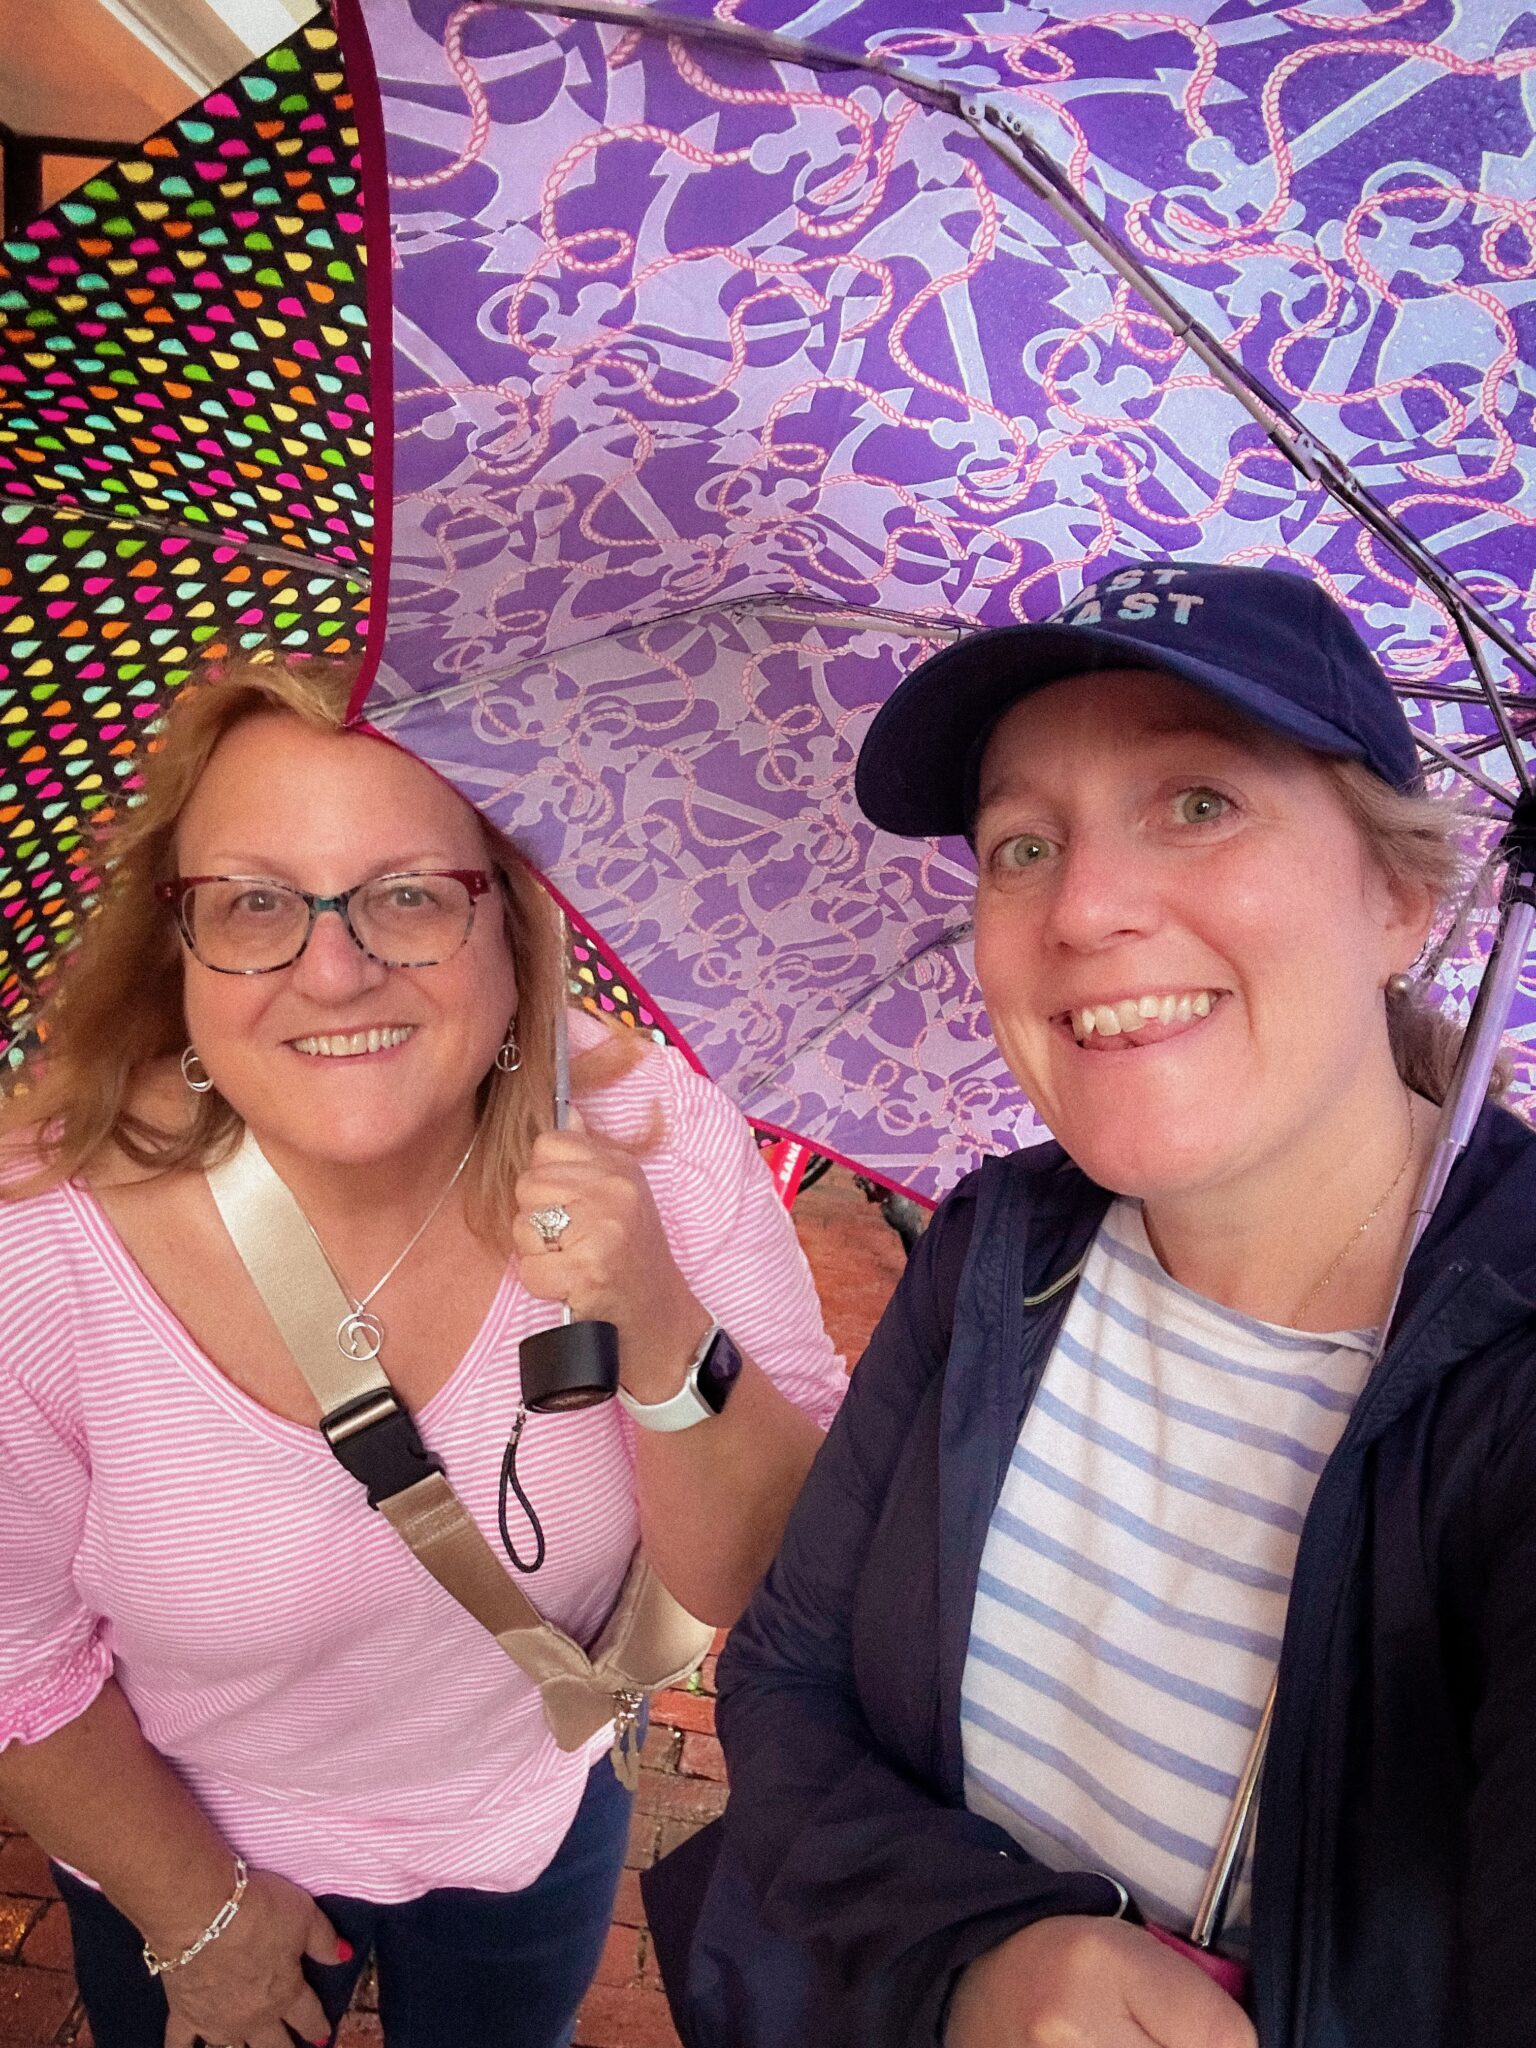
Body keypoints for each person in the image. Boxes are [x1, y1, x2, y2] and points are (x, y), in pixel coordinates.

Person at [654, 561, 1536, 2048]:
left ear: (1401, 896)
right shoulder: (997, 1250)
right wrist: (981, 1959)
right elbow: (791, 1683)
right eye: (1020, 844)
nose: (1081, 908)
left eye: (1197, 801)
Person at [0, 652, 845, 2048]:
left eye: (406, 895)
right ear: (181, 941)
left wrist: (655, 1315)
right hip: (188, 1847)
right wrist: (198, 1917)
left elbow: (760, 1573)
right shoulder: (43, 1238)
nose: (333, 970)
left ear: (508, 919)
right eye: (256, 902)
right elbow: (15, 1655)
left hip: (533, 1813)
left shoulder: (658, 1142)